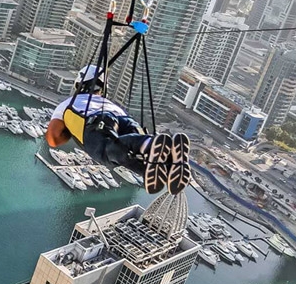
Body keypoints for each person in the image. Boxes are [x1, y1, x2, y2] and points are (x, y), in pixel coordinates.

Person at [45, 65, 190, 194]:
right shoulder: (109, 103)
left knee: (110, 151)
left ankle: (150, 158)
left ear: (78, 85)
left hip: (96, 119)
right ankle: (161, 155)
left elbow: (53, 139)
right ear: (101, 89)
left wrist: (69, 131)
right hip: (123, 118)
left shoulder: (68, 104)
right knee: (133, 148)